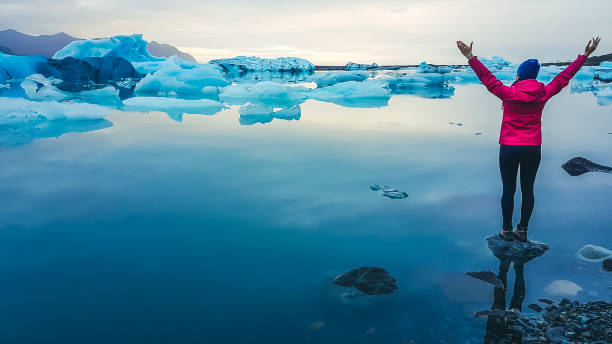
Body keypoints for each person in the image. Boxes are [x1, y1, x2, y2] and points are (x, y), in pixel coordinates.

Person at [456, 37, 601, 242]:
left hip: (509, 147)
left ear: (520, 75)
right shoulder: (543, 92)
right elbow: (564, 77)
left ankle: (506, 230)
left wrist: (470, 57)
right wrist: (585, 55)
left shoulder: (508, 93)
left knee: (508, 189)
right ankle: (522, 230)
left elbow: (487, 78)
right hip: (533, 148)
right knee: (528, 189)